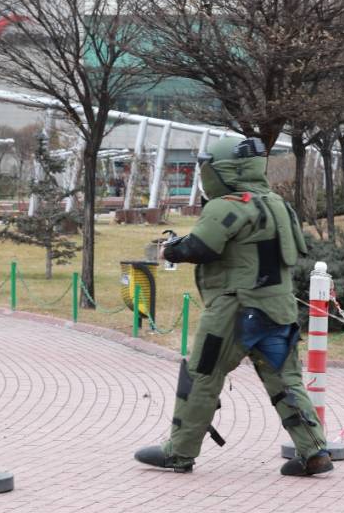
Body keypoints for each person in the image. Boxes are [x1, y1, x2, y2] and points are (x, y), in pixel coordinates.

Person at [134, 137, 332, 477]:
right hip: (278, 308)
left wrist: (170, 250)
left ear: (222, 170)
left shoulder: (227, 205)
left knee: (200, 377)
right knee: (286, 380)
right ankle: (313, 450)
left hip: (235, 309)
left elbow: (200, 247)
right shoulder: (278, 205)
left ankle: (179, 452)